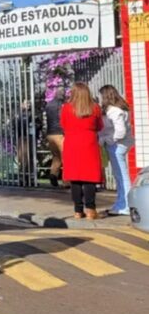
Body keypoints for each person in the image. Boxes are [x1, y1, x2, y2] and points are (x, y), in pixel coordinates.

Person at [61, 82, 104, 220]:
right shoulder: (95, 108)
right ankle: (91, 210)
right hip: (89, 143)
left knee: (75, 179)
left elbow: (63, 124)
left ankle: (78, 211)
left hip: (72, 144)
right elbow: (100, 126)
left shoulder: (66, 108)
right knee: (89, 178)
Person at [98, 85, 134, 216]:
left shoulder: (114, 111)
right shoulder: (121, 108)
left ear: (106, 96)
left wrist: (108, 140)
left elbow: (120, 132)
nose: (101, 99)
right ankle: (121, 203)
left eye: (102, 96)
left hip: (117, 145)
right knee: (119, 176)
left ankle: (125, 205)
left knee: (121, 176)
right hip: (120, 144)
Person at [45, 87, 66, 187]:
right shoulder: (61, 105)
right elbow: (62, 118)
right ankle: (67, 181)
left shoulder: (48, 105)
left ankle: (53, 174)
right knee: (65, 156)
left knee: (56, 156)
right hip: (59, 133)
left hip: (50, 134)